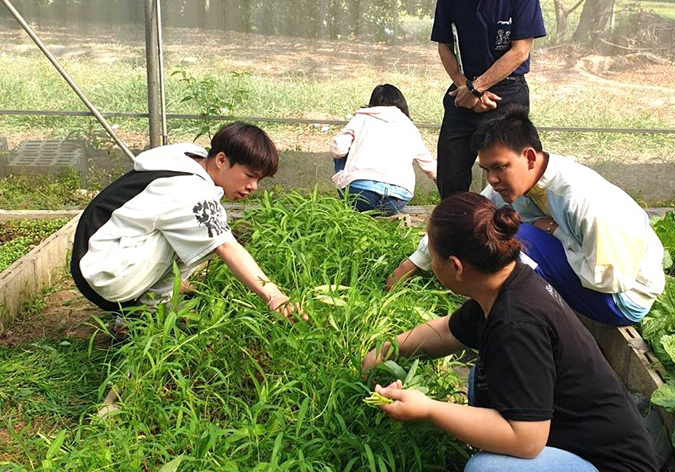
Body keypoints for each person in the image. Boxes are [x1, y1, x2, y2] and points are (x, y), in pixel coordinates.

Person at [363, 193, 660, 472]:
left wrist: (429, 409)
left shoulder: (516, 322)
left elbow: (527, 440)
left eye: (434, 258)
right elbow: (448, 331)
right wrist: (387, 350)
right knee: (483, 376)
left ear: (456, 267)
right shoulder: (506, 282)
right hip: (579, 458)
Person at [387, 107, 665, 326]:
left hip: (623, 299)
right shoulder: (516, 183)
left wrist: (555, 232)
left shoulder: (583, 201)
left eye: (499, 167)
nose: (492, 179)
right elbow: (465, 220)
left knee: (517, 239)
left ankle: (503, 325)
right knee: (491, 226)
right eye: (485, 169)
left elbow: (609, 281)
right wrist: (412, 264)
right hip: (596, 278)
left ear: (530, 157)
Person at [71, 122, 304, 320]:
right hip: (102, 275)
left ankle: (154, 301)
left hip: (96, 254)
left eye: (259, 179)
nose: (253, 187)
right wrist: (274, 295)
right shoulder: (189, 190)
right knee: (210, 236)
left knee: (203, 229)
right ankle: (148, 314)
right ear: (221, 160)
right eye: (249, 176)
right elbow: (226, 246)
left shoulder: (189, 159)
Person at [432, 0, 546, 199]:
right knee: (450, 173)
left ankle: (516, 229)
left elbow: (520, 51)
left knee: (514, 174)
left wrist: (477, 88)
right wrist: (465, 87)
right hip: (464, 91)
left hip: (506, 93)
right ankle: (457, 231)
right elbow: (444, 46)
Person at [331, 84, 437, 216]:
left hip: (361, 196)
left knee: (341, 156)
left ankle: (349, 198)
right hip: (396, 199)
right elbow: (430, 166)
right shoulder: (409, 126)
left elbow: (338, 150)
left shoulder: (361, 118)